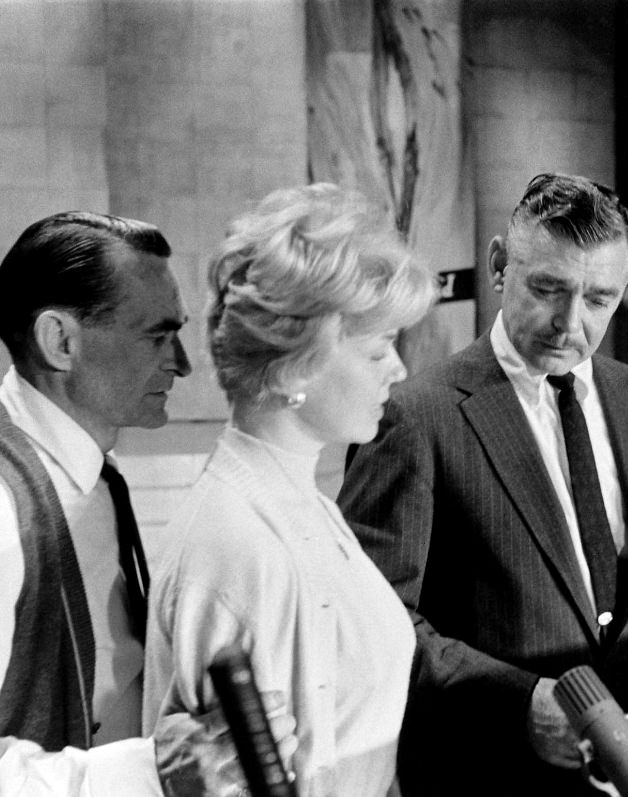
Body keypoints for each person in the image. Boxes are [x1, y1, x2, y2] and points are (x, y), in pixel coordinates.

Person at [0, 211, 295, 795]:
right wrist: (151, 774)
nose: (181, 362)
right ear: (61, 341)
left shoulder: (92, 478)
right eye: (157, 335)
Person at [338, 173, 628, 796]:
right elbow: (372, 624)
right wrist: (518, 703)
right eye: (548, 288)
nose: (569, 323)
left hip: (627, 772)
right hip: (481, 774)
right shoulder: (414, 416)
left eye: (599, 299)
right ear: (498, 266)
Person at [143, 184, 437, 797]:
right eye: (381, 347)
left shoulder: (305, 508)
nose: (399, 369)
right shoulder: (237, 545)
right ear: (304, 359)